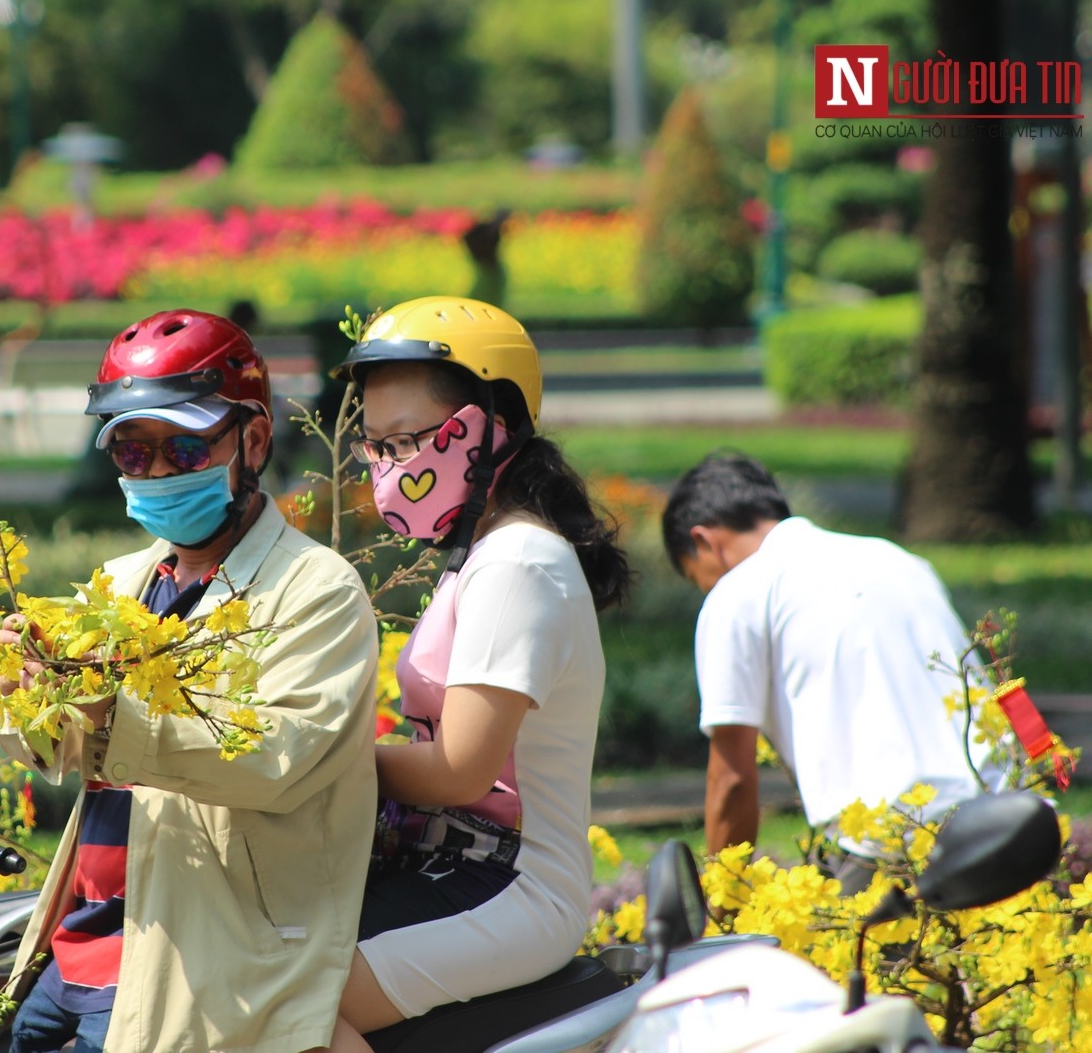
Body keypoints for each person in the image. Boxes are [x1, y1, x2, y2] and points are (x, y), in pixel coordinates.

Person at [0, 309, 379, 1053]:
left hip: (193, 957)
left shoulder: (316, 589)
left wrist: (110, 714)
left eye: (184, 445)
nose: (161, 472)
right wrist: (24, 689)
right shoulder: (122, 580)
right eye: (135, 454)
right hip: (84, 945)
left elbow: (274, 757)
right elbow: (56, 749)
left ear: (256, 441)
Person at [324, 296, 633, 1049]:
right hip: (449, 867)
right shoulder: (480, 557)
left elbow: (463, 771)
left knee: (279, 1003)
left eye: (410, 440)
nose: (390, 467)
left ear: (490, 427)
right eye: (376, 445)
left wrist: (315, 761)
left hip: (513, 889)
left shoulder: (519, 561)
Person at [660, 451, 1000, 878]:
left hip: (893, 846)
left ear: (705, 541)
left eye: (700, 579)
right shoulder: (899, 559)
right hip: (1010, 818)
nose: (708, 591)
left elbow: (731, 778)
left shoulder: (736, 593)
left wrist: (725, 906)